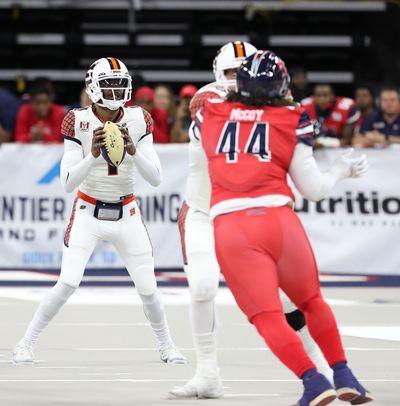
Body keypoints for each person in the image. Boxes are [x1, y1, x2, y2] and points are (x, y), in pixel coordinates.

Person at [196, 50, 373, 405]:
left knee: (268, 316)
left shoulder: (210, 112)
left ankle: (313, 381)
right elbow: (315, 190)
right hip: (281, 220)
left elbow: (213, 108)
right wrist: (341, 169)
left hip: (234, 226)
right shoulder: (292, 116)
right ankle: (343, 374)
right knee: (310, 300)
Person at [169, 42, 333, 400]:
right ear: (218, 74)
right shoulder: (207, 101)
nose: (237, 80)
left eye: (243, 72)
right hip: (203, 212)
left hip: (244, 213)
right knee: (202, 287)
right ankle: (207, 373)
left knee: (290, 297)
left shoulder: (271, 103)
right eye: (230, 72)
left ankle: (322, 366)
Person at [13, 57, 186, 365]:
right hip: (88, 210)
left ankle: (167, 345)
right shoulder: (76, 120)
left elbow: (156, 177)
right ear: (93, 87)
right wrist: (92, 155)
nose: (118, 89)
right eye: (110, 83)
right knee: (67, 282)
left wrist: (134, 151)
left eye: (121, 83)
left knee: (148, 288)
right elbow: (67, 182)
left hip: (127, 209)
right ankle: (26, 343)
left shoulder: (138, 118)